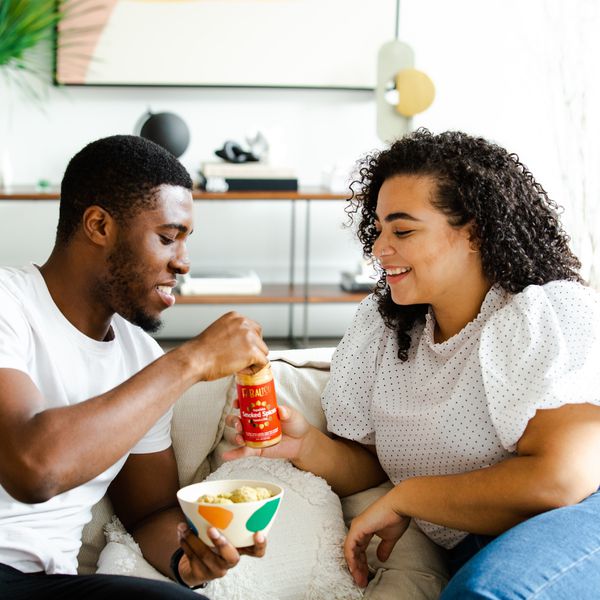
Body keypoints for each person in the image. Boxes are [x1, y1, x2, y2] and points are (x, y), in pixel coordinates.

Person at [224, 129, 600, 599]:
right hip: (474, 546)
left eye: (402, 230)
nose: (380, 248)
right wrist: (304, 445)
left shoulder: (540, 315)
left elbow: (561, 480)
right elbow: (368, 465)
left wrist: (411, 498)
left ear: (475, 232)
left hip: (578, 518)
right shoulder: (385, 331)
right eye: (378, 229)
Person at [0, 134, 271, 599]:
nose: (183, 263)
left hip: (48, 585)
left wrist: (189, 556)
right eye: (168, 238)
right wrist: (193, 358)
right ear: (99, 225)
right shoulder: (9, 304)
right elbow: (32, 469)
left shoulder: (140, 358)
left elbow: (149, 513)